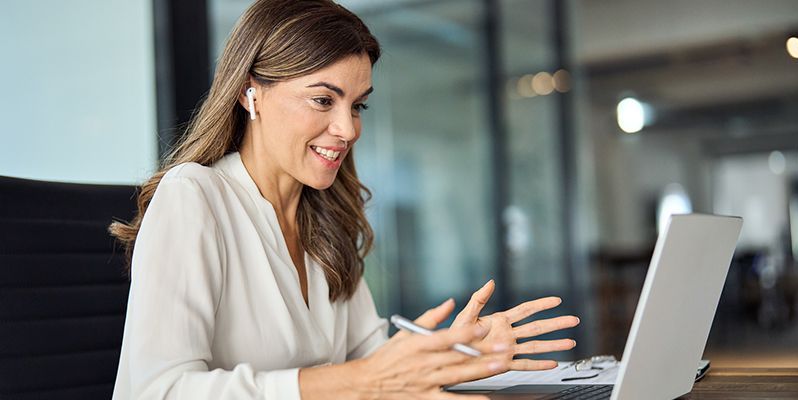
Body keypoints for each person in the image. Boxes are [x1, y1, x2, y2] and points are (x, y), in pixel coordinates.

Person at [109, 0, 579, 399]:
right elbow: (162, 390)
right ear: (251, 93)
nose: (349, 129)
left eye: (357, 105)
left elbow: (373, 363)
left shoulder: (326, 215)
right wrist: (360, 380)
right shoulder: (193, 196)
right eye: (322, 100)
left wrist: (458, 353)